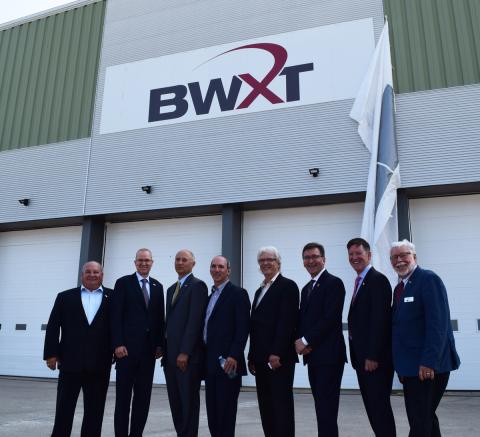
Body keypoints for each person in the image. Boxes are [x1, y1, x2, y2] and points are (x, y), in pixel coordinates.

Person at [390, 239, 460, 437]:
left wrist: (429, 362)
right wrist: (401, 366)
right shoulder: (400, 288)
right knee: (425, 417)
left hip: (428, 368)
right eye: (394, 257)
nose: (399, 260)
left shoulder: (428, 279)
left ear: (414, 257)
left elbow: (438, 325)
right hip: (411, 367)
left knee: (419, 420)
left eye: (404, 255)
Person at [43, 261, 112, 437]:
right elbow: (53, 326)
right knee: (64, 409)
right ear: (82, 275)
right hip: (70, 363)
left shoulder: (113, 297)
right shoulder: (65, 297)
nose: (92, 275)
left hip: (99, 364)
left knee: (95, 412)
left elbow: (120, 326)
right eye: (88, 272)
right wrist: (51, 354)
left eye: (96, 272)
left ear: (102, 275)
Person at [111, 248, 165, 437]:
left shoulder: (158, 287)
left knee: (143, 399)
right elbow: (115, 316)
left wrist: (160, 345)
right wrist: (117, 343)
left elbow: (159, 319)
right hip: (125, 352)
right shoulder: (123, 283)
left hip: (148, 354)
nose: (144, 263)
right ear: (135, 263)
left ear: (152, 263)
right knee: (123, 400)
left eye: (147, 260)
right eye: (140, 260)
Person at [295, 242, 346, 437]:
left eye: (314, 257)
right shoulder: (306, 288)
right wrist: (299, 341)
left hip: (330, 357)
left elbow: (330, 318)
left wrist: (306, 341)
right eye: (307, 258)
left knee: (327, 409)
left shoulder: (334, 283)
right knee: (320, 407)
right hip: (313, 357)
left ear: (323, 259)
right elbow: (303, 319)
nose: (311, 261)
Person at [346, 238, 396, 436]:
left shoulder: (378, 280)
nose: (354, 257)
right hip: (363, 359)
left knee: (379, 408)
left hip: (373, 361)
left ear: (369, 255)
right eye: (351, 254)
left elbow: (380, 321)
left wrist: (373, 355)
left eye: (358, 253)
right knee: (373, 408)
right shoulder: (361, 281)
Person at [248, 246, 299, 437]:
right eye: (262, 261)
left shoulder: (288, 286)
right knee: (266, 407)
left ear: (278, 263)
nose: (266, 263)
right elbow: (256, 328)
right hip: (261, 360)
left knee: (281, 407)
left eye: (270, 259)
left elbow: (287, 322)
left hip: (278, 359)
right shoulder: (259, 290)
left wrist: (276, 352)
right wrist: (252, 356)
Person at [203, 255, 251, 437]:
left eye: (221, 267)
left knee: (226, 414)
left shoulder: (238, 294)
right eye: (213, 266)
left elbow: (242, 328)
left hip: (228, 364)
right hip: (210, 364)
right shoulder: (210, 297)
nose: (216, 270)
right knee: (213, 414)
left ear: (228, 270)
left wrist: (233, 355)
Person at [164, 249, 208, 437]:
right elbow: (169, 324)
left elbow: (194, 322)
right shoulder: (171, 289)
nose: (180, 263)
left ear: (193, 264)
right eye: (177, 259)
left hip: (186, 359)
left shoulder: (198, 286)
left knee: (188, 403)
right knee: (176, 403)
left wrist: (185, 352)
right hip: (170, 357)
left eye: (184, 260)